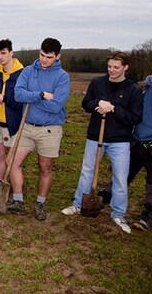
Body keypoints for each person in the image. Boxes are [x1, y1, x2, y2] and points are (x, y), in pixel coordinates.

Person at [62, 51, 142, 234]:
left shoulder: (133, 90)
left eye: (116, 67)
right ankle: (78, 204)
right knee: (86, 172)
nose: (112, 70)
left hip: (120, 141)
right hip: (95, 136)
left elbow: (135, 118)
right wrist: (98, 102)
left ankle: (118, 213)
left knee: (120, 179)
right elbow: (85, 103)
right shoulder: (98, 83)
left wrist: (114, 109)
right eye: (109, 67)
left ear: (125, 67)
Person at [7, 38, 70, 220]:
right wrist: (41, 95)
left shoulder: (62, 77)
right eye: (42, 55)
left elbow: (56, 106)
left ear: (57, 56)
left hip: (49, 129)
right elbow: (18, 95)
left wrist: (32, 99)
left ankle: (40, 203)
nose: (43, 60)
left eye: (49, 57)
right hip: (26, 126)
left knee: (45, 167)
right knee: (13, 162)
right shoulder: (28, 71)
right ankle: (18, 201)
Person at [0, 39, 24, 183]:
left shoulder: (22, 75)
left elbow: (21, 102)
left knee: (11, 157)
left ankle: (12, 186)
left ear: (11, 53)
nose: (1, 57)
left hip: (12, 123)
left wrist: (4, 98)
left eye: (4, 53)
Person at [131, 69, 152, 230]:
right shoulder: (140, 88)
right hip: (136, 140)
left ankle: (150, 215)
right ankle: (105, 198)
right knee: (122, 172)